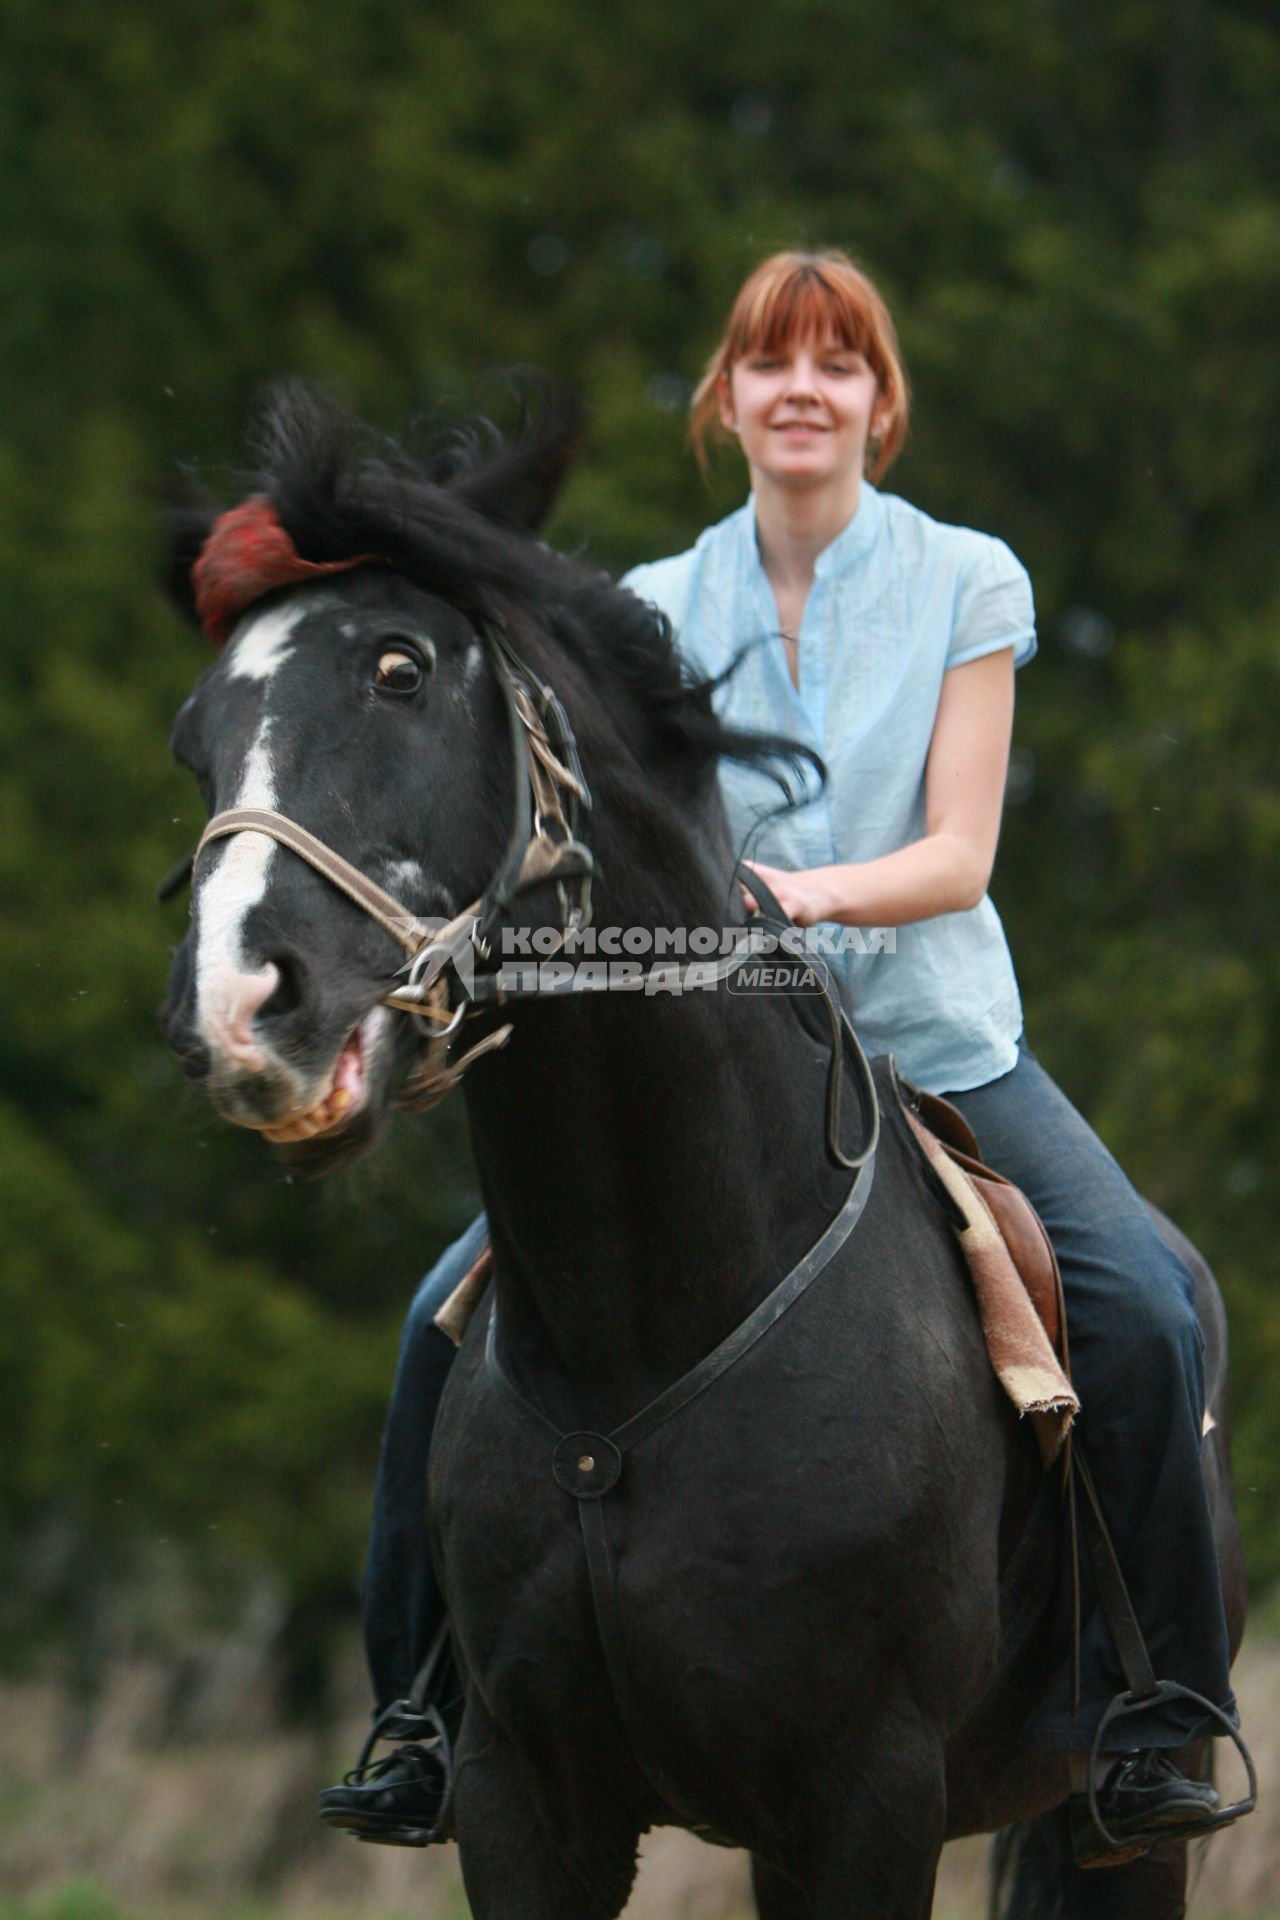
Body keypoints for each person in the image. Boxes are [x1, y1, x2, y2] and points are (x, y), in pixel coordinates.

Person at [319, 250, 1238, 1858]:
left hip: (941, 1046)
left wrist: (797, 890)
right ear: (726, 402)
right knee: (431, 1330)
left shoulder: (974, 582)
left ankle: (1150, 1711)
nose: (801, 388)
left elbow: (959, 854)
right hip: (723, 1073)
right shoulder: (652, 612)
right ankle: (423, 1719)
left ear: (882, 406)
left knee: (1152, 1307)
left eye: (837, 363)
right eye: (768, 361)